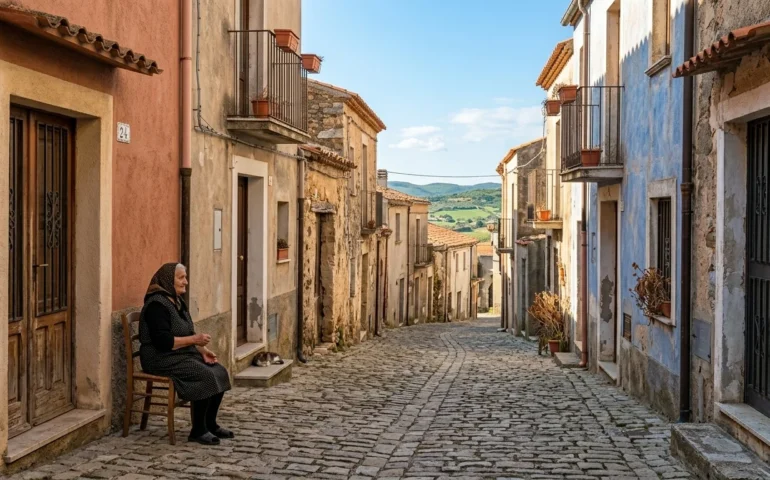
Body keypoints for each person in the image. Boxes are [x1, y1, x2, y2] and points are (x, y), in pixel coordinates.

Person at [139, 263, 233, 445]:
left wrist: (203, 351)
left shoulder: (177, 302)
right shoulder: (156, 305)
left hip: (178, 355)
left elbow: (187, 333)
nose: (186, 282)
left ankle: (210, 424)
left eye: (185, 277)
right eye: (181, 278)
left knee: (219, 371)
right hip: (159, 358)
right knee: (204, 375)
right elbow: (163, 342)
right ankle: (198, 431)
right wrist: (195, 341)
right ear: (168, 280)